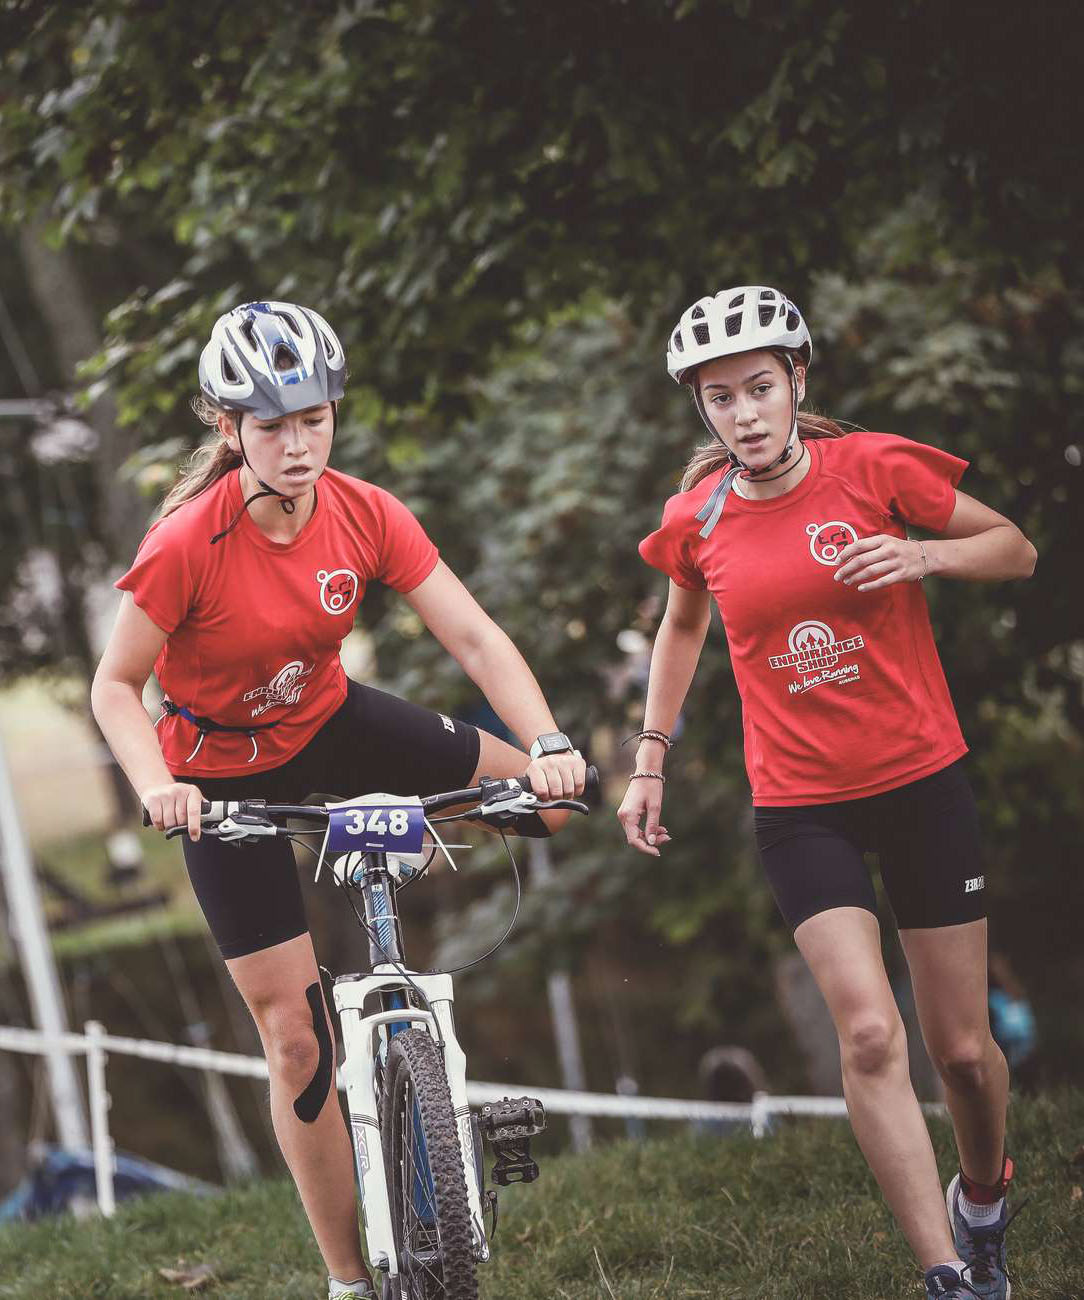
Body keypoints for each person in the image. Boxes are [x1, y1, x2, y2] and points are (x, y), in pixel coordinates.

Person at [91, 300, 586, 1300]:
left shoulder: (367, 512)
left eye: (311, 417)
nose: (295, 441)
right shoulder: (189, 542)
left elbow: (477, 639)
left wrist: (548, 741)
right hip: (219, 775)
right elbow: (114, 685)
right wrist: (159, 786)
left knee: (547, 804)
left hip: (331, 724)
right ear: (228, 429)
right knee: (295, 1034)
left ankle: (385, 840)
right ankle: (348, 1281)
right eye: (270, 424)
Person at [617, 286, 1036, 1300]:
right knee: (866, 1030)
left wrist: (920, 553)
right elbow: (680, 628)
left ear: (796, 382)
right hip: (801, 805)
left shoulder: (873, 468)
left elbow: (1014, 547)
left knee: (965, 1052)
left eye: (759, 388)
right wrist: (649, 756)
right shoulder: (698, 515)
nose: (743, 413)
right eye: (719, 398)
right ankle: (944, 1272)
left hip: (921, 781)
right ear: (702, 411)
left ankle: (982, 1198)